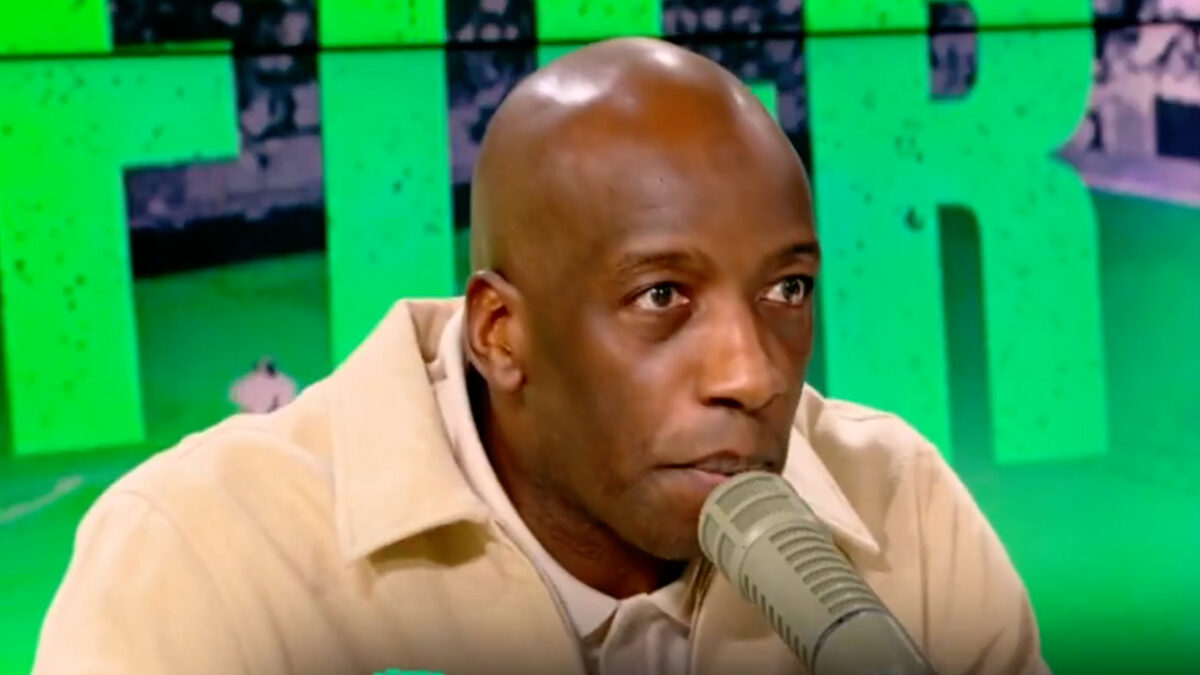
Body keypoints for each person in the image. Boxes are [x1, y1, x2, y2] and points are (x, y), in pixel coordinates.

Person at [33, 37, 1047, 675]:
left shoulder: (898, 500)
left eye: (787, 289)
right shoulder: (204, 554)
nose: (754, 373)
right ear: (501, 335)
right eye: (663, 297)